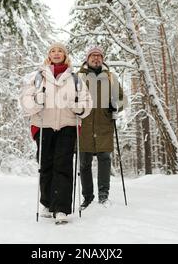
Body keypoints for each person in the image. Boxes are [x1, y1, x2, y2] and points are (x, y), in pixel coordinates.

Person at [19, 42, 92, 224]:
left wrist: (79, 108)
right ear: (49, 55)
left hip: (67, 125)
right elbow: (25, 101)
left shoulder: (75, 79)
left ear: (65, 55)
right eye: (53, 51)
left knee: (63, 165)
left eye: (60, 51)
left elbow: (87, 102)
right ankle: (46, 202)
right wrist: (37, 101)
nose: (57, 53)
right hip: (43, 126)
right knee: (46, 165)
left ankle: (61, 209)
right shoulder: (38, 77)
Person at [78, 45, 124, 209]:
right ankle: (87, 197)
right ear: (87, 59)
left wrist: (115, 106)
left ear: (102, 59)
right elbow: (70, 98)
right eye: (93, 56)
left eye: (99, 56)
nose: (96, 58)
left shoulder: (110, 78)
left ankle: (103, 196)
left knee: (105, 159)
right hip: (84, 126)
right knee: (84, 163)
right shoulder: (79, 77)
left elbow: (121, 99)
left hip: (104, 125)